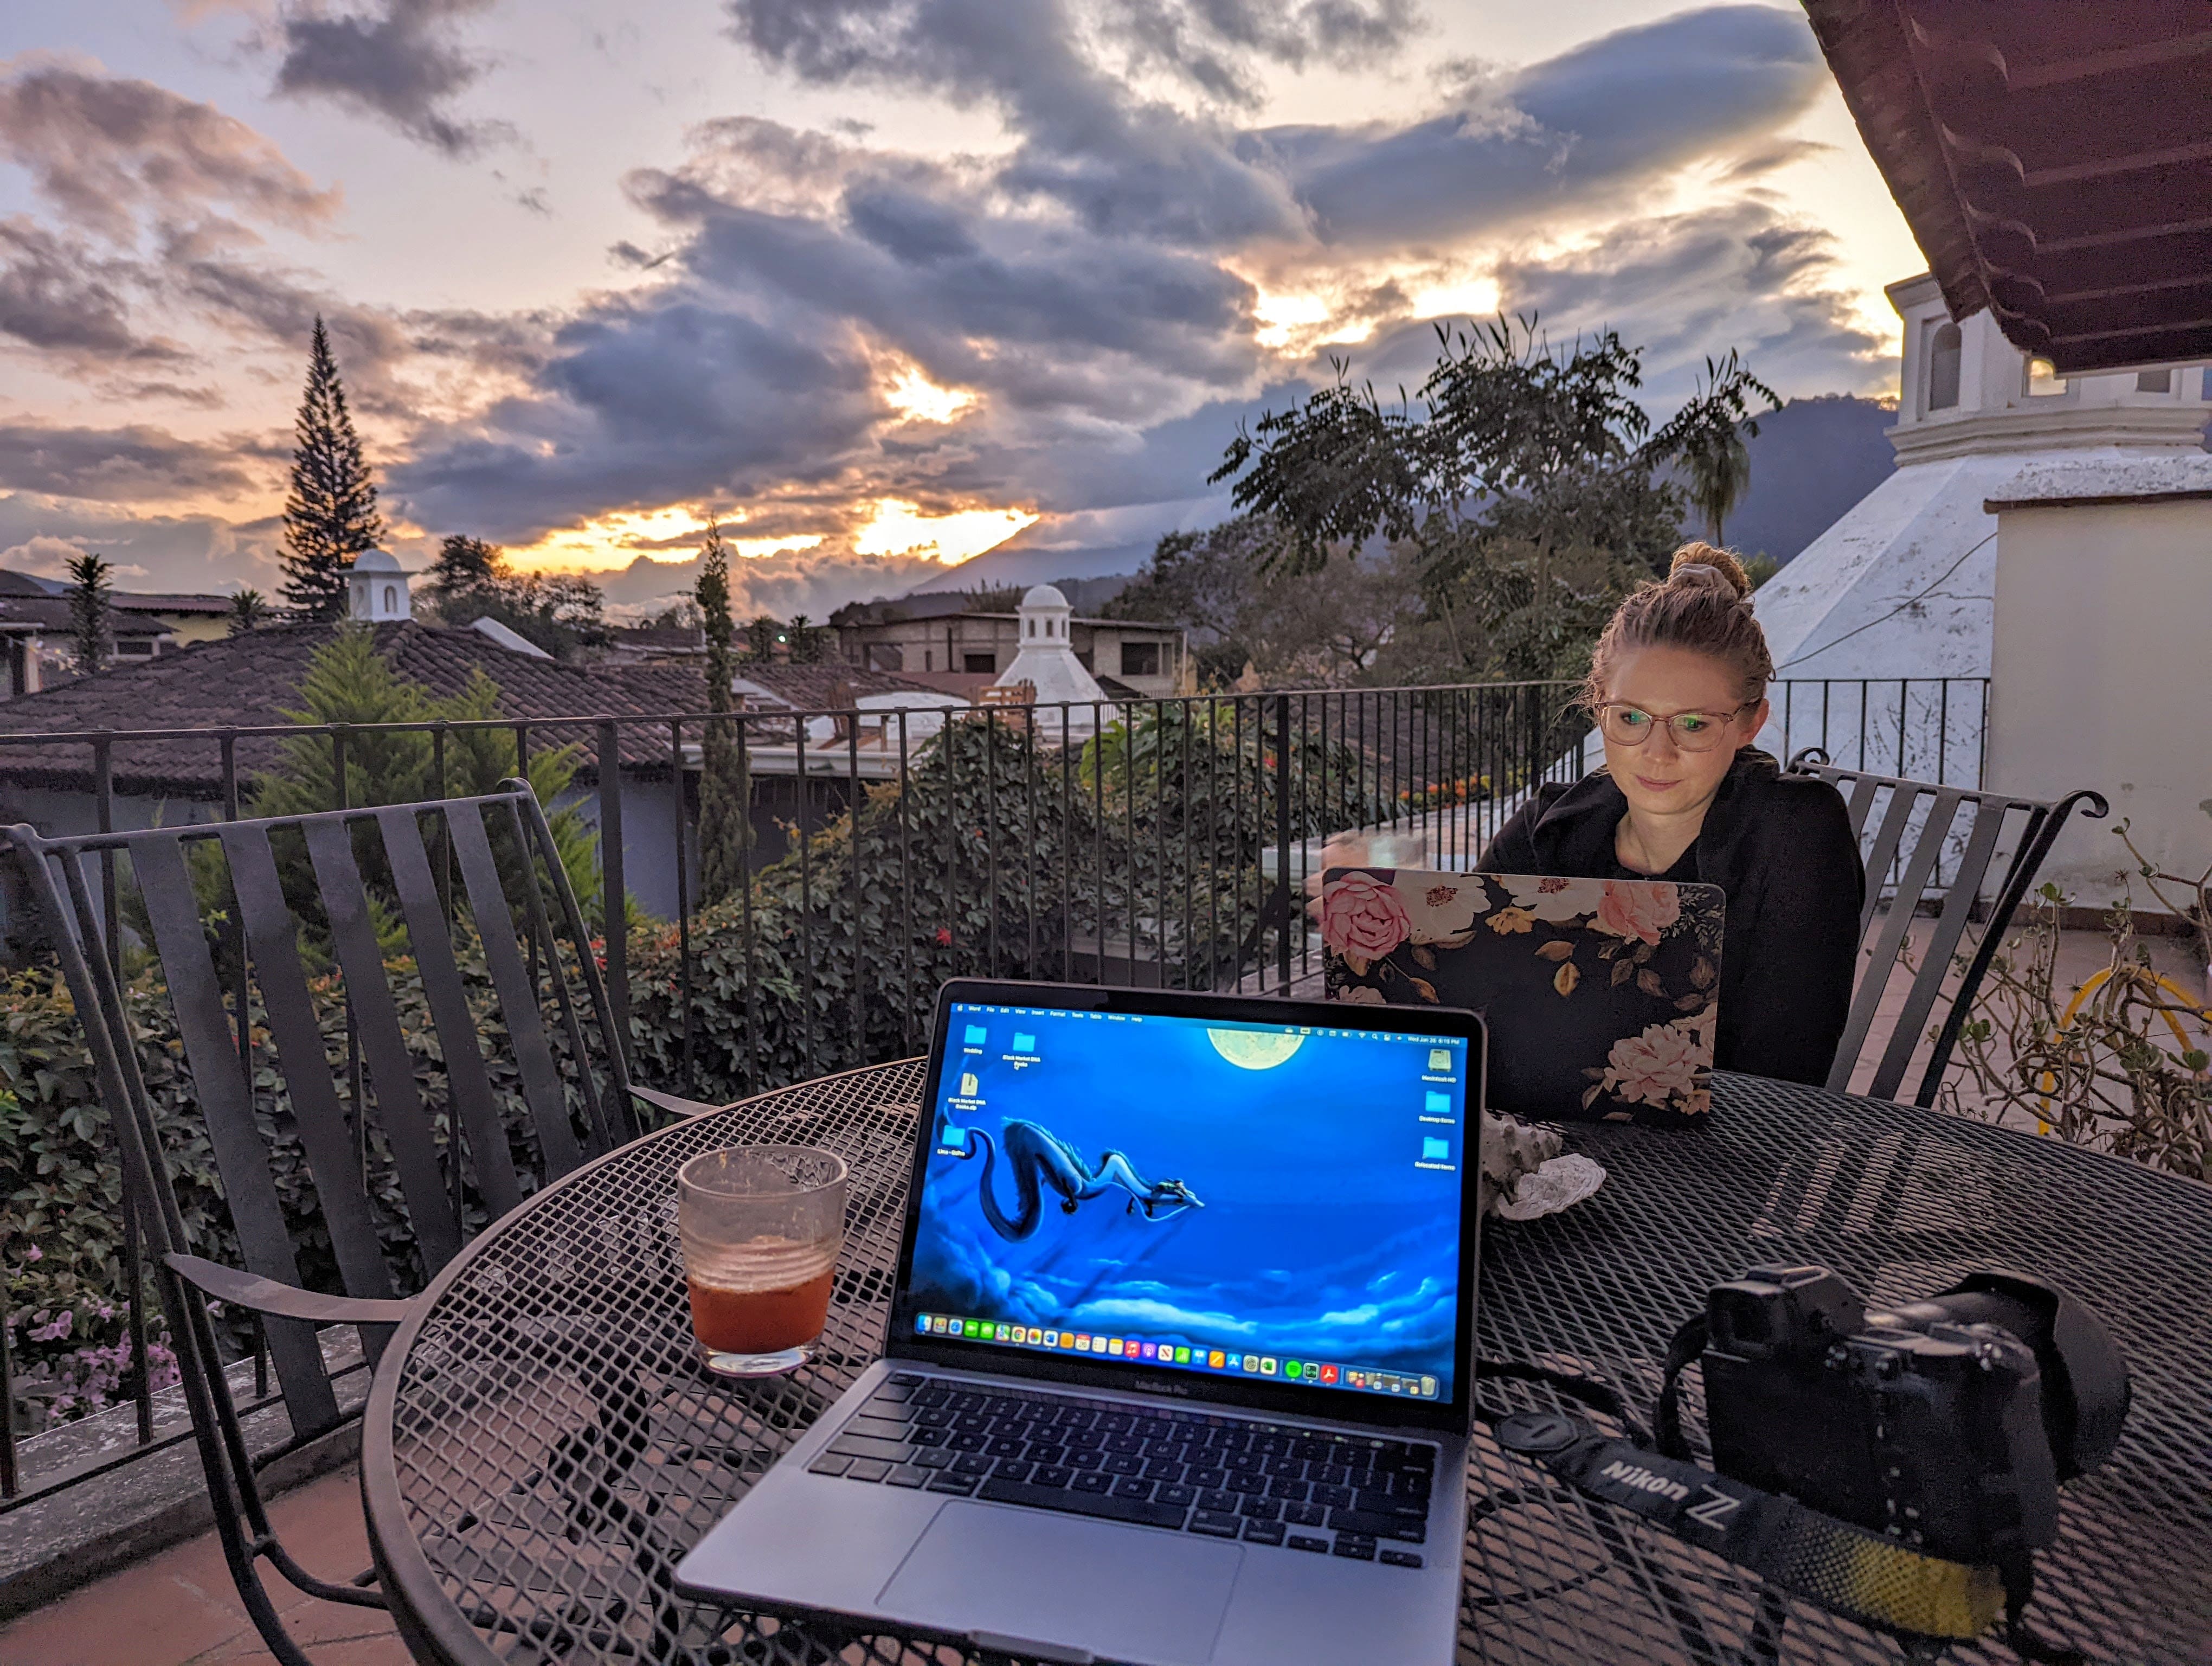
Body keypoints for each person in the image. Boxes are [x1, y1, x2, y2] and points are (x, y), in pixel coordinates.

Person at [1477, 543, 1864, 1085]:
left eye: (1694, 724)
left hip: (1715, 1157)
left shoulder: (1795, 839)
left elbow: (1784, 1075)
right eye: (1631, 717)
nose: (1657, 753)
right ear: (1599, 708)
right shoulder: (1548, 831)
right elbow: (1462, 1003)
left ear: (1751, 723)